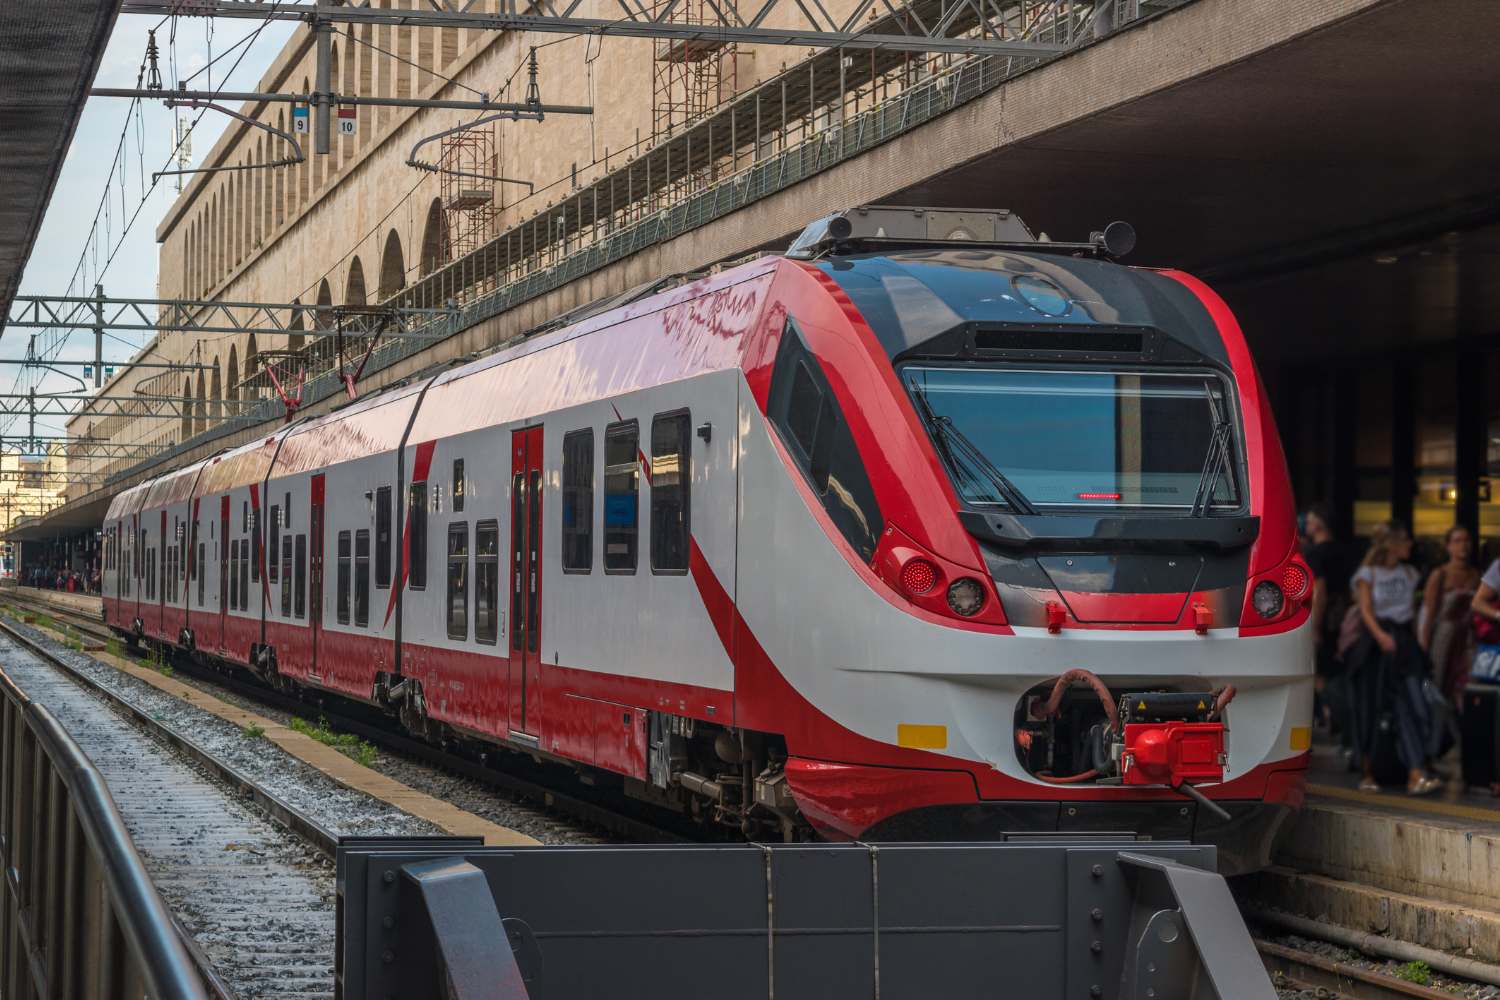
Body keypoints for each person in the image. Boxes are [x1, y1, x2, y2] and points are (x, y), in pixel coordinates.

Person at [1349, 520, 1441, 795]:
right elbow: (1365, 610)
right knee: (1372, 708)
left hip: (1404, 642)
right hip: (1377, 645)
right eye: (1405, 541)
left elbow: (1413, 612)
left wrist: (1418, 644)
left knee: (1416, 704)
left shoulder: (1410, 573)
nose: (1410, 546)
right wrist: (1380, 637)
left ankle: (1416, 768)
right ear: (1392, 544)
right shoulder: (1368, 573)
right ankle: (1370, 770)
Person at [1420, 525, 1480, 702]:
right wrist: (1424, 646)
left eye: (1466, 540)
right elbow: (1428, 613)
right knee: (1439, 678)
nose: (1463, 545)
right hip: (1444, 634)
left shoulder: (1476, 575)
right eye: (1457, 541)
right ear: (1448, 546)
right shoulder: (1440, 574)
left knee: (1470, 681)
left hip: (1469, 636)